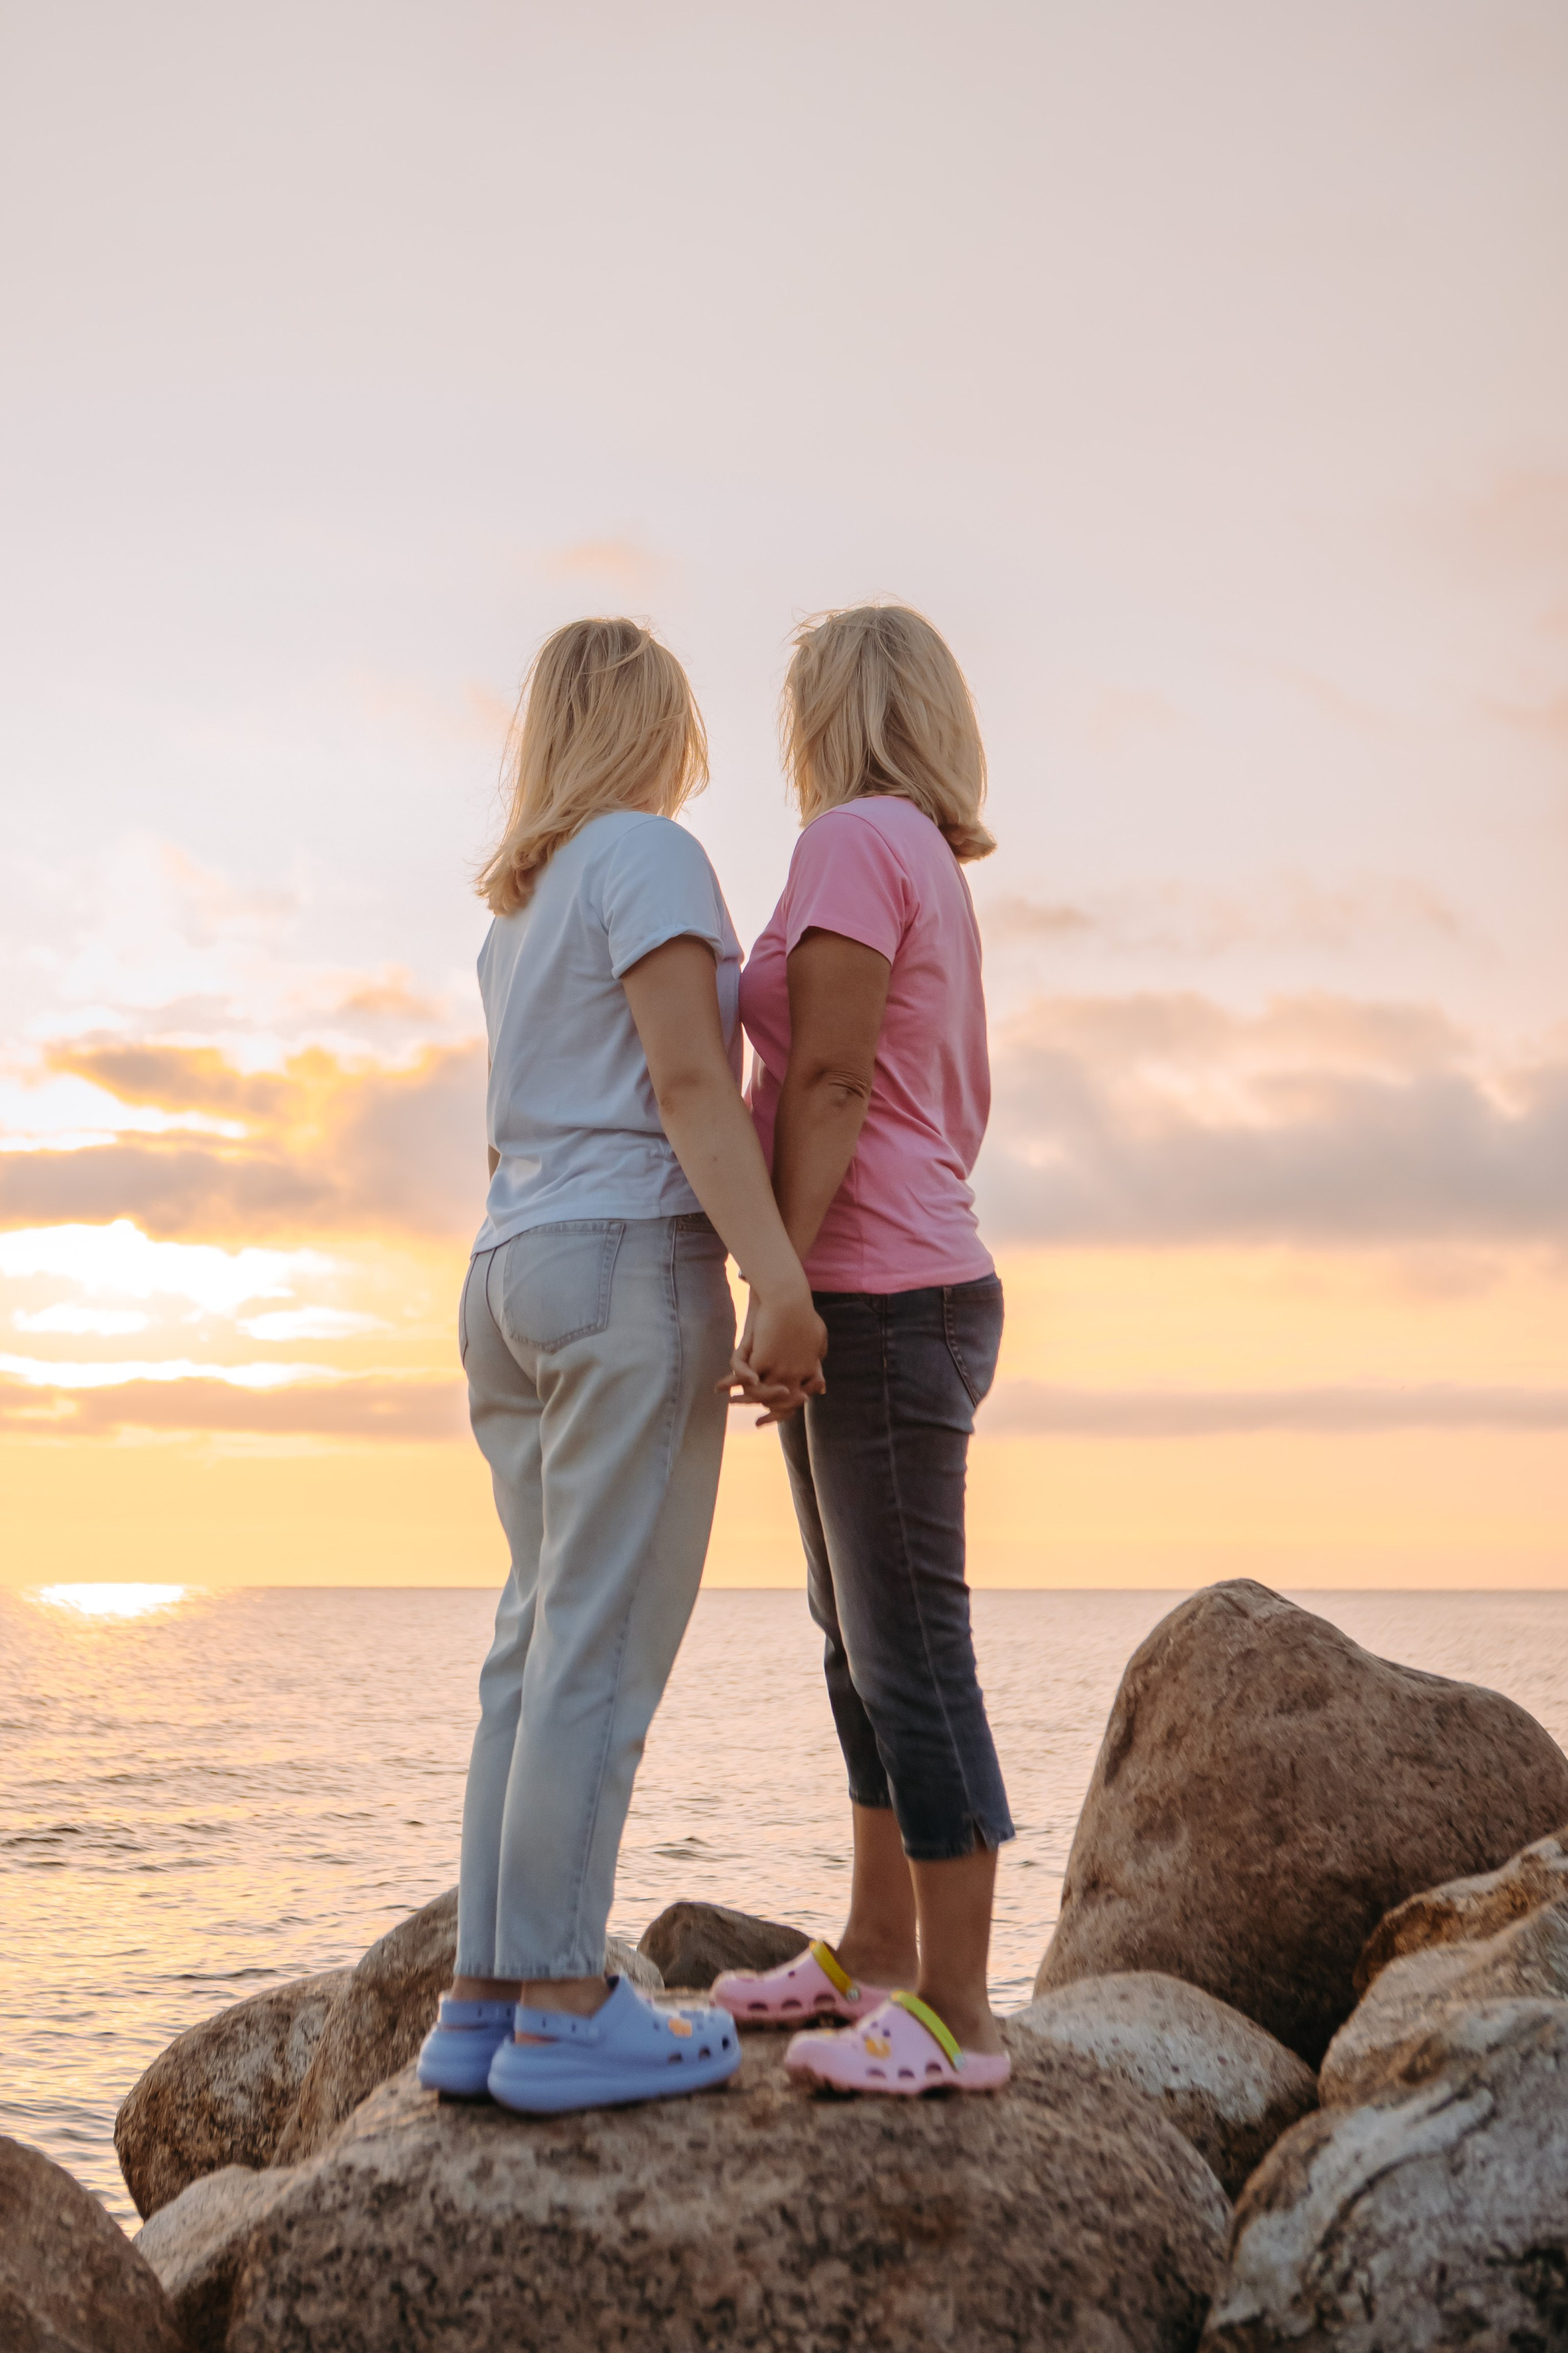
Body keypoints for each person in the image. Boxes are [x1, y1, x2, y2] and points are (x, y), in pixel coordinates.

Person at [417, 617, 825, 2116]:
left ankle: (483, 1998)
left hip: (506, 1271)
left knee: (531, 1642)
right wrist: (773, 1274)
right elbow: (685, 1081)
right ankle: (567, 2008)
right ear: (652, 730)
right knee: (594, 1644)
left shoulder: (514, 909)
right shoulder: (646, 856)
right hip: (621, 1263)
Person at [714, 603, 1012, 2096]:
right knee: (855, 1641)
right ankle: (876, 1950)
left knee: (908, 1653)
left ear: (831, 713)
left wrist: (780, 1283)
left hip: (878, 1292)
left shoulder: (851, 842)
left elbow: (827, 1077)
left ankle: (957, 2011)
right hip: (895, 1284)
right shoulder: (927, 867)